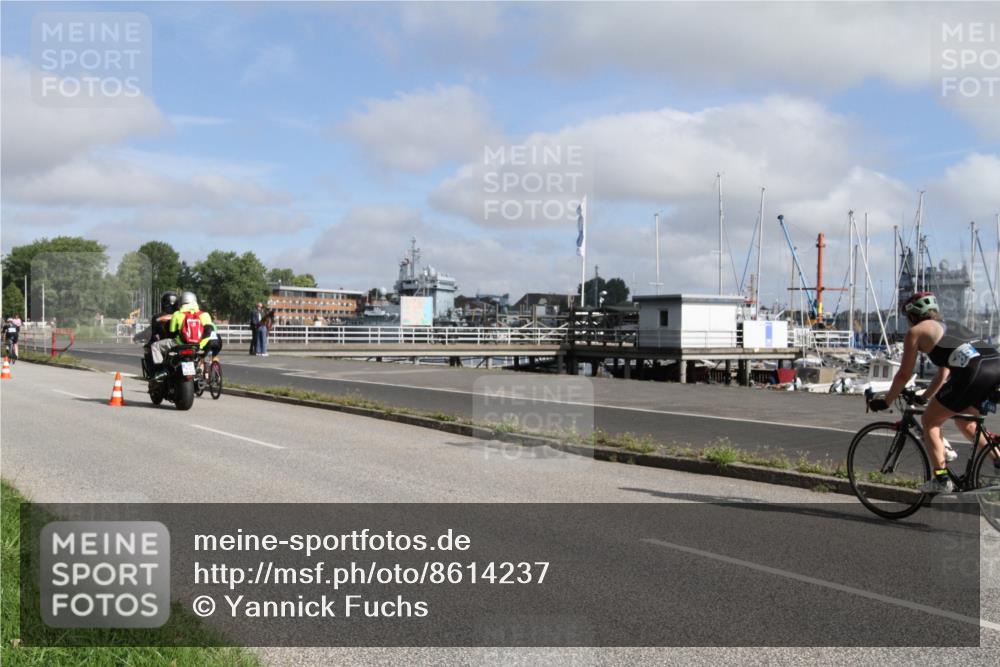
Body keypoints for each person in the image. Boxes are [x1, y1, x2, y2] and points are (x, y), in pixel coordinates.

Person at [869, 291, 1000, 493]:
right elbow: (943, 374)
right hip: (994, 368)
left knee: (930, 421)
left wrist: (887, 401)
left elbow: (904, 374)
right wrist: (925, 397)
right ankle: (998, 461)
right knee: (966, 423)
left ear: (912, 316)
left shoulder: (917, 332)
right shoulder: (950, 326)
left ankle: (941, 479)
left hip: (974, 374)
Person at [149, 291, 214, 381]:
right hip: (198, 345)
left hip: (180, 344)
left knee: (155, 346)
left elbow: (171, 332)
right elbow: (209, 330)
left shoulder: (178, 314)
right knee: (204, 354)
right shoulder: (204, 314)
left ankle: (161, 370)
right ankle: (202, 370)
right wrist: (200, 343)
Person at [140, 292, 178, 377]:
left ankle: (157, 372)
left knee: (150, 347)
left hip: (166, 344)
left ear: (164, 303)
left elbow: (153, 333)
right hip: (181, 343)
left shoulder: (157, 316)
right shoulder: (181, 315)